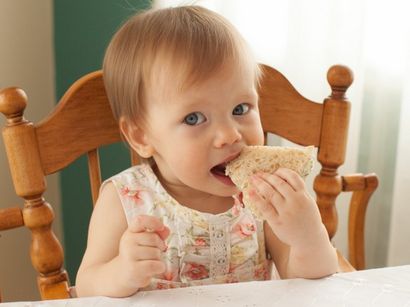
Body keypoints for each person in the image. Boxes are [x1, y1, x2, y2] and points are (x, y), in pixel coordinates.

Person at [75, 5, 338, 297]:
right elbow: (86, 287)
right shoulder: (125, 198)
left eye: (240, 109)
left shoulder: (262, 198)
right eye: (194, 118)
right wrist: (122, 271)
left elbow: (304, 280)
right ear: (141, 136)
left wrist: (308, 237)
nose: (230, 135)